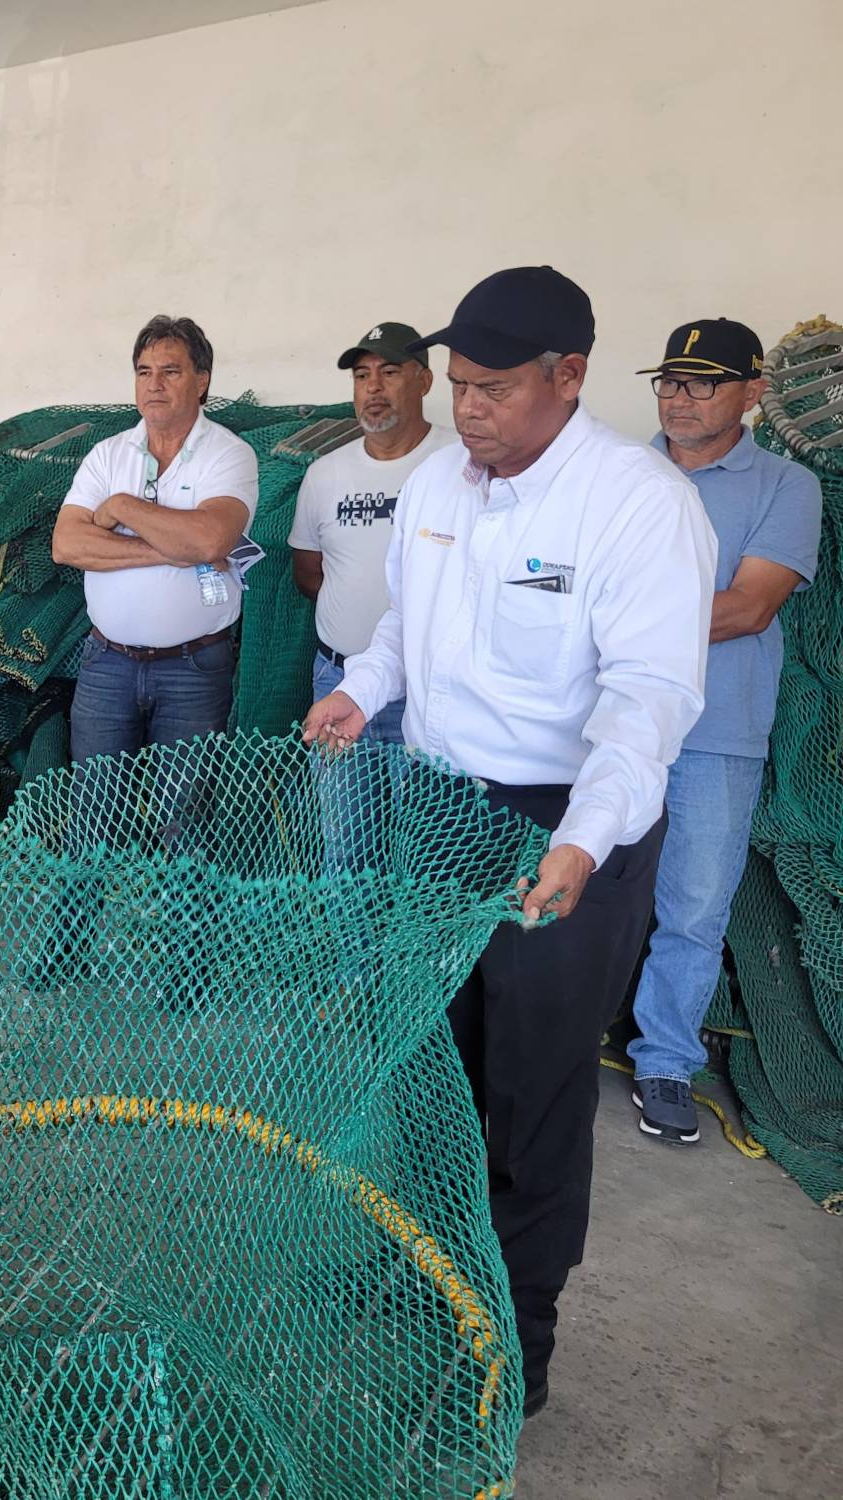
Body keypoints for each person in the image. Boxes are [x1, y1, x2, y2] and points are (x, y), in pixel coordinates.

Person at [302, 266, 715, 1418]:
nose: (463, 407)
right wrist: (363, 689)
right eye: (455, 384)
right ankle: (413, 1272)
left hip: (565, 827)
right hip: (438, 812)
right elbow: (401, 625)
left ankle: (509, 1344)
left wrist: (582, 841)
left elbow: (646, 701)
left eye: (487, 388)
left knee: (531, 1094)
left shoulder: (636, 506)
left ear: (566, 377)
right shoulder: (443, 480)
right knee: (429, 1067)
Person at [626, 319, 821, 1142]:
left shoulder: (785, 486)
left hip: (715, 730)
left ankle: (665, 1061)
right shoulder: (619, 473)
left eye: (702, 382)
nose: (678, 398)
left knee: (694, 906)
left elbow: (750, 607)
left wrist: (614, 627)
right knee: (572, 881)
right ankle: (556, 1038)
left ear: (754, 393)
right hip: (611, 721)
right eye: (669, 381)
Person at [51, 315, 258, 766]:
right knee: (96, 807)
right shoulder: (107, 455)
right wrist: (167, 551)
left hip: (195, 669)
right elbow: (67, 544)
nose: (154, 384)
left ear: (201, 382)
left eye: (171, 371)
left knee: (185, 816)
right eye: (144, 372)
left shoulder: (229, 454)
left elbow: (209, 540)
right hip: (107, 662)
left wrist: (122, 507)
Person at [288, 323, 455, 743]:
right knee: (341, 812)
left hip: (428, 686)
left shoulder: (460, 462)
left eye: (391, 372)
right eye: (362, 376)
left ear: (425, 380)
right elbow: (309, 573)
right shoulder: (324, 474)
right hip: (337, 679)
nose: (373, 388)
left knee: (425, 810)